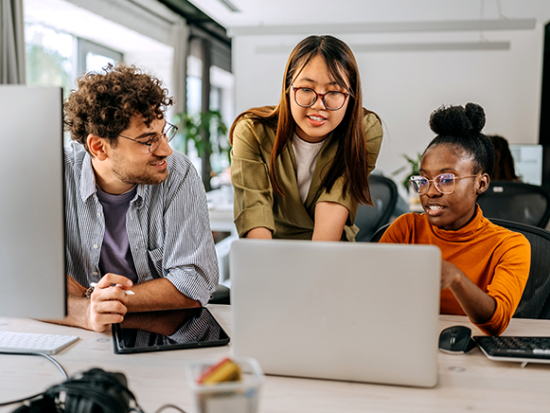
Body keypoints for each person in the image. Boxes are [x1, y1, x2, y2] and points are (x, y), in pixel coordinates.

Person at [52, 64, 218, 332]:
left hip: (160, 336)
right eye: (148, 140)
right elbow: (20, 284)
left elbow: (194, 282)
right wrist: (84, 313)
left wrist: (96, 299)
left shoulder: (178, 173)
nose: (166, 149)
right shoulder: (54, 173)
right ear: (99, 147)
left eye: (164, 132)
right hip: (78, 335)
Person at [379, 103, 530, 336]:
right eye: (424, 180)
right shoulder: (406, 228)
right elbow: (372, 293)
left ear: (481, 183)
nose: (430, 192)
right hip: (406, 339)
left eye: (446, 179)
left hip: (473, 350)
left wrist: (456, 278)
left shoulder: (510, 245)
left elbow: (496, 322)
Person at [229, 35, 383, 241]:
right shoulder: (252, 130)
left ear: (351, 95)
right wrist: (265, 269)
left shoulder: (364, 130)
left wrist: (311, 271)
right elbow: (254, 212)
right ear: (288, 88)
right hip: (272, 252)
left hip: (329, 252)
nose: (318, 104)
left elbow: (334, 203)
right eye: (306, 89)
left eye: (334, 91)